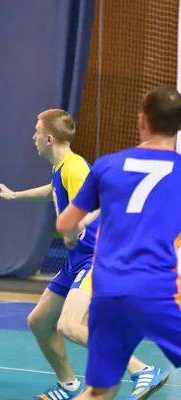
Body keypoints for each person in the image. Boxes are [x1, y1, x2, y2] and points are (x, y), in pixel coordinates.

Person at [0, 109, 166, 399]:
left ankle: (142, 369)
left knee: (70, 325)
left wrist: (77, 224)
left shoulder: (75, 166)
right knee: (40, 322)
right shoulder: (61, 168)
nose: (32, 136)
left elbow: (102, 201)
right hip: (76, 259)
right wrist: (14, 194)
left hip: (96, 256)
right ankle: (68, 385)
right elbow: (53, 192)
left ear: (48, 137)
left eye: (35, 130)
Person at [56, 86, 181, 400]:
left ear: (141, 120)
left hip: (108, 291)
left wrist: (72, 236)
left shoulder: (108, 165)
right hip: (157, 292)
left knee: (99, 391)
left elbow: (65, 224)